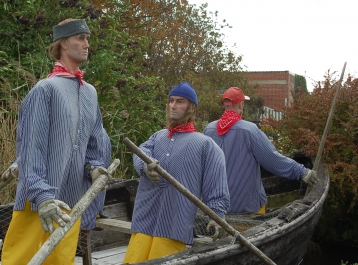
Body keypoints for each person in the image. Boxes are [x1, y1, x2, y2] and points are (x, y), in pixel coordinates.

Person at [1, 19, 111, 265]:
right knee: (22, 261)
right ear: (63, 43)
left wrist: (94, 168)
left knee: (60, 262)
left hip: (70, 204)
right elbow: (31, 149)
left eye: (87, 39)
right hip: (38, 204)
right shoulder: (45, 89)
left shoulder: (90, 93)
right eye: (80, 38)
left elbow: (94, 142)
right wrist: (41, 196)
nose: (86, 44)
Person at [123, 82, 230, 264]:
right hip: (144, 220)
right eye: (171, 101)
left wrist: (217, 215)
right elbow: (140, 152)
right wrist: (146, 167)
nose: (173, 105)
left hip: (174, 225)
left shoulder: (206, 145)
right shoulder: (157, 137)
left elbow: (216, 185)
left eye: (180, 101)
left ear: (191, 107)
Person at [203, 87, 319, 215]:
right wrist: (302, 172)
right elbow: (272, 160)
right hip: (246, 209)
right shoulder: (250, 131)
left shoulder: (209, 130)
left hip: (214, 210)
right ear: (241, 105)